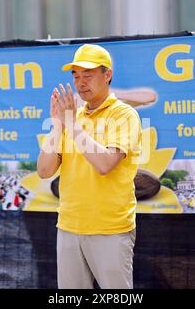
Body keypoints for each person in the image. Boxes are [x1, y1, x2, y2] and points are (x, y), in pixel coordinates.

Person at [36, 44, 142, 289]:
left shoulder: (124, 115)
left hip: (111, 229)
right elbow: (44, 170)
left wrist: (71, 124)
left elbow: (105, 164)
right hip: (69, 227)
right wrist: (56, 125)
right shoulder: (72, 118)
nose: (80, 82)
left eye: (88, 75)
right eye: (75, 75)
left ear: (108, 75)